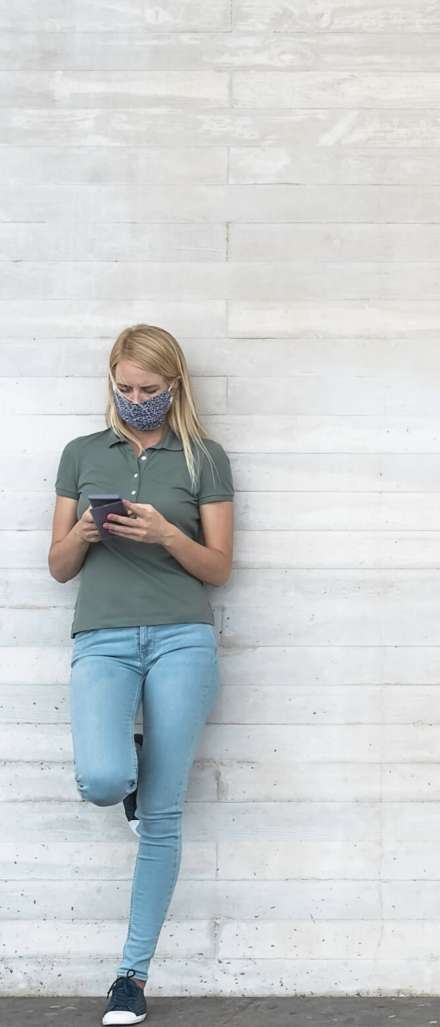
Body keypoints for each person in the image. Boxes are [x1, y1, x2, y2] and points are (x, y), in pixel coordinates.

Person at [48, 325, 235, 1027]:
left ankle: (130, 974)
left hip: (182, 637)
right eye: (125, 388)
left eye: (149, 390)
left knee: (160, 814)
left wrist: (166, 535)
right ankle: (126, 762)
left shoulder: (204, 459)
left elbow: (218, 567)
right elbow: (59, 566)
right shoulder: (80, 455)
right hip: (103, 636)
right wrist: (85, 535)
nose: (135, 400)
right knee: (102, 780)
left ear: (173, 387)